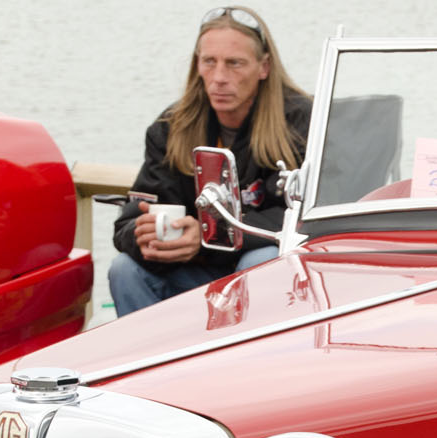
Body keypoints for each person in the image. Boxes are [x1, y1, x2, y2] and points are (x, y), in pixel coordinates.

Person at [109, 7, 312, 316]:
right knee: (125, 269)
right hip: (199, 276)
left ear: (264, 67)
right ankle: (149, 362)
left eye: (234, 64)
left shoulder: (301, 122)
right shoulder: (170, 127)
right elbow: (128, 220)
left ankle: (255, 362)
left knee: (259, 263)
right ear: (197, 65)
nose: (219, 78)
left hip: (274, 285)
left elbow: (306, 219)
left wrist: (206, 238)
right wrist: (143, 236)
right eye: (209, 62)